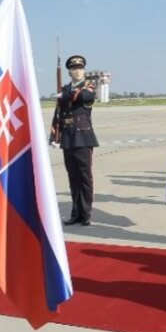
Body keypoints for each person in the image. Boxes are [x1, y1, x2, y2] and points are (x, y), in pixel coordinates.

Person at [50, 54, 98, 225]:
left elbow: (86, 97)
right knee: (73, 177)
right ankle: (76, 212)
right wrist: (55, 136)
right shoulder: (64, 90)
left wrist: (65, 95)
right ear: (69, 72)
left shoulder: (89, 85)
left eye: (80, 68)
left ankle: (86, 214)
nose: (77, 71)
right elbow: (59, 114)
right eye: (74, 69)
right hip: (69, 138)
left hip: (83, 138)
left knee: (84, 177)